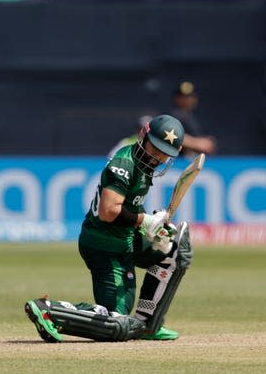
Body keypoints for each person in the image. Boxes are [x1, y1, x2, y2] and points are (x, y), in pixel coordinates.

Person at [25, 114, 194, 342]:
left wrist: (154, 228)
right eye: (155, 148)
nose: (157, 157)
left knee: (176, 251)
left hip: (126, 238)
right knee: (118, 324)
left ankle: (148, 325)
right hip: (104, 245)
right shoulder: (124, 163)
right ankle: (50, 310)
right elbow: (108, 211)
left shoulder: (145, 165)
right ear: (144, 136)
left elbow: (130, 204)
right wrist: (144, 221)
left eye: (165, 153)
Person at [170, 81, 216, 156]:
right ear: (177, 98)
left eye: (192, 96)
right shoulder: (176, 115)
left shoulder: (189, 116)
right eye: (185, 97)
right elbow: (168, 132)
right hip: (177, 161)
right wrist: (197, 143)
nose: (190, 99)